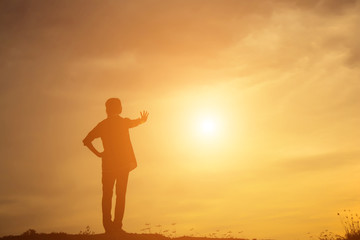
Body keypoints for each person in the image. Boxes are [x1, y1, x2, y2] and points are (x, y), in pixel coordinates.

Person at [82, 98, 149, 234]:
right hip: (123, 164)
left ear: (107, 109)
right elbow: (135, 123)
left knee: (107, 196)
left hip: (108, 166)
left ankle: (108, 227)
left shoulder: (102, 125)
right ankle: (117, 226)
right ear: (118, 108)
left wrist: (98, 154)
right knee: (120, 195)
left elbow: (86, 140)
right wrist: (142, 120)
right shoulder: (123, 122)